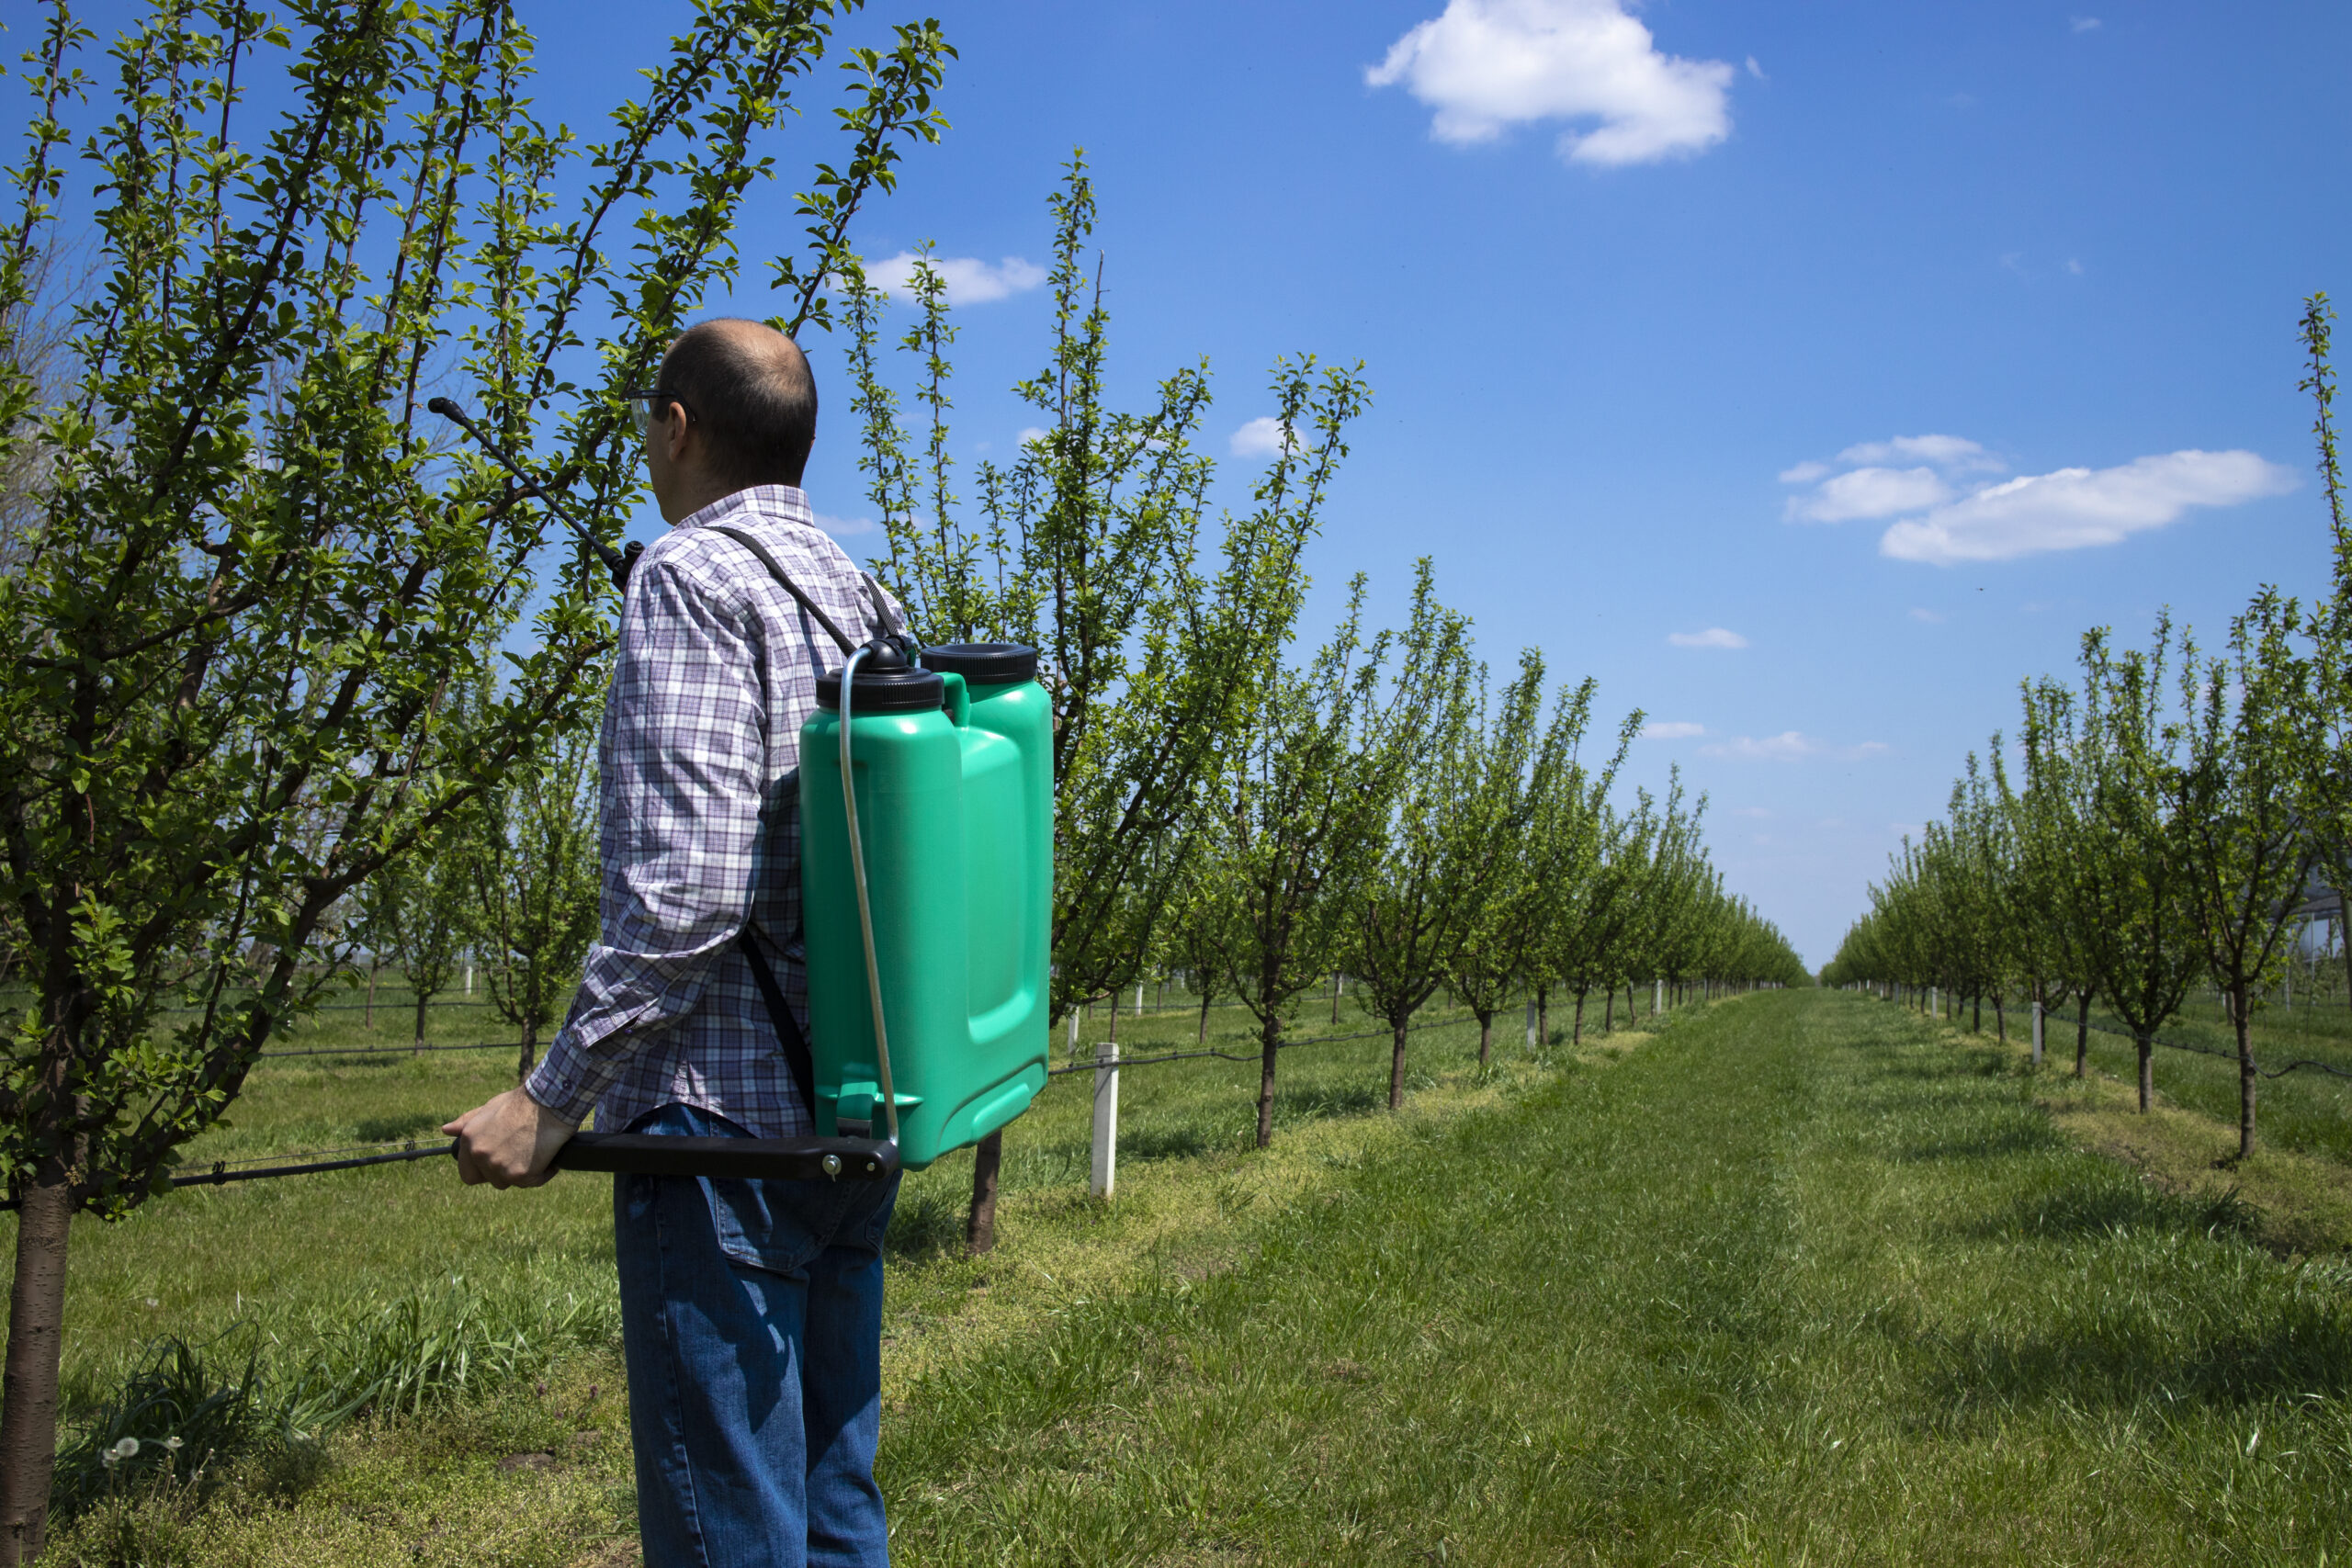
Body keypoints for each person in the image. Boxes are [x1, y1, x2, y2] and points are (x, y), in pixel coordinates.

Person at [444, 317, 903, 1568]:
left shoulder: (689, 577)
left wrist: (551, 1098)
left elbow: (689, 892)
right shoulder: (864, 598)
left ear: (677, 426)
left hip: (717, 1140)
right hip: (851, 1121)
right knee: (831, 1511)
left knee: (732, 1540)